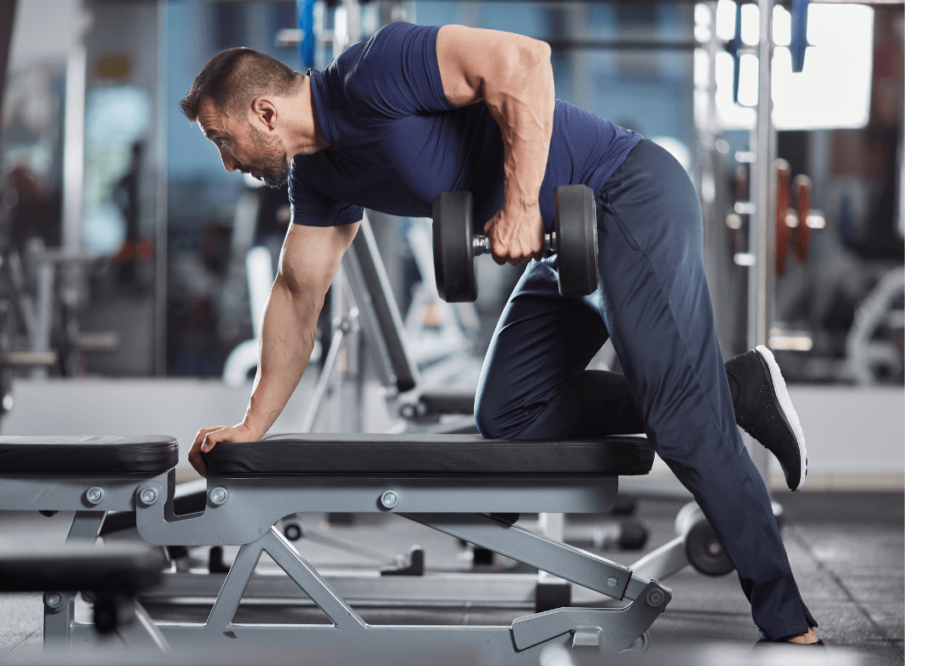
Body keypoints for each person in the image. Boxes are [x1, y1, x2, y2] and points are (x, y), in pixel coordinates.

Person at [180, 23, 820, 645]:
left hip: (623, 193)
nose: (227, 162)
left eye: (221, 139)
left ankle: (787, 618)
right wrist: (252, 425)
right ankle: (734, 389)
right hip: (562, 244)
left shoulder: (375, 67)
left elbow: (525, 60)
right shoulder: (319, 176)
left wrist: (517, 207)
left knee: (681, 417)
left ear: (264, 112)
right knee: (512, 412)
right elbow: (297, 294)